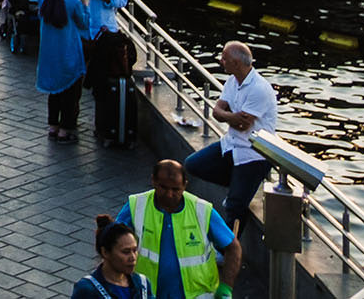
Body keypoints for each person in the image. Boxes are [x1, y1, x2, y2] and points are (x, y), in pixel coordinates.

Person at [183, 41, 278, 234]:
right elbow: (217, 112)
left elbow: (243, 124)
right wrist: (231, 117)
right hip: (231, 144)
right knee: (193, 164)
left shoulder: (259, 89)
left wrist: (229, 116)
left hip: (253, 154)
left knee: (235, 206)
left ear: (236, 62)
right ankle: (239, 185)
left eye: (224, 58)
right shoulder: (232, 81)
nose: (220, 61)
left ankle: (227, 249)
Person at [113, 160, 241, 299]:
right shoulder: (137, 206)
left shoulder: (202, 210)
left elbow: (233, 248)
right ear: (153, 181)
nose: (169, 194)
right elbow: (111, 241)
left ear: (185, 185)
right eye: (163, 187)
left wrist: (226, 287)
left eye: (175, 189)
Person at [74, 0, 132, 139]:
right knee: (75, 80)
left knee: (103, 82)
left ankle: (103, 125)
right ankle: (71, 120)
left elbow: (122, 0)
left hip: (104, 34)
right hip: (82, 34)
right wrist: (82, 0)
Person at [39, 0, 90, 143]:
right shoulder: (72, 2)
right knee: (71, 94)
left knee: (54, 92)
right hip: (69, 54)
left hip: (49, 55)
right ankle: (66, 129)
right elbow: (84, 24)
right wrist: (86, 3)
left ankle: (53, 126)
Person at [75, 218, 154, 299]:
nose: (133, 257)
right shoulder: (87, 290)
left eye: (135, 250)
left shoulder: (142, 284)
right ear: (105, 252)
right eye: (126, 252)